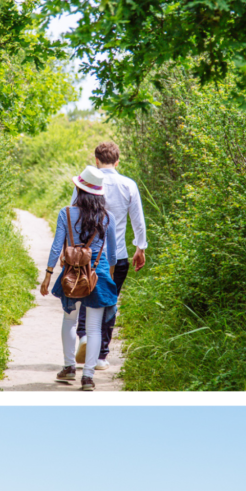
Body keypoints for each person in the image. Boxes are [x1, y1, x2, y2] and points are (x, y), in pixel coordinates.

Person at [40, 167, 118, 390]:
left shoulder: (65, 213)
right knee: (94, 328)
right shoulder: (108, 217)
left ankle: (69, 367)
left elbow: (57, 247)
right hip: (98, 273)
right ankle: (88, 377)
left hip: (71, 273)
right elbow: (113, 253)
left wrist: (48, 274)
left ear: (79, 189)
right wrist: (109, 275)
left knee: (69, 320)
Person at [73, 141, 147, 370]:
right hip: (117, 256)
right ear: (117, 162)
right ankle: (101, 355)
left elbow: (74, 215)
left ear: (96, 160)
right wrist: (140, 248)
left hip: (88, 254)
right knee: (109, 301)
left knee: (86, 292)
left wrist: (73, 249)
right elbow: (138, 219)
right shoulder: (129, 184)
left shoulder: (85, 181)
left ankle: (84, 335)